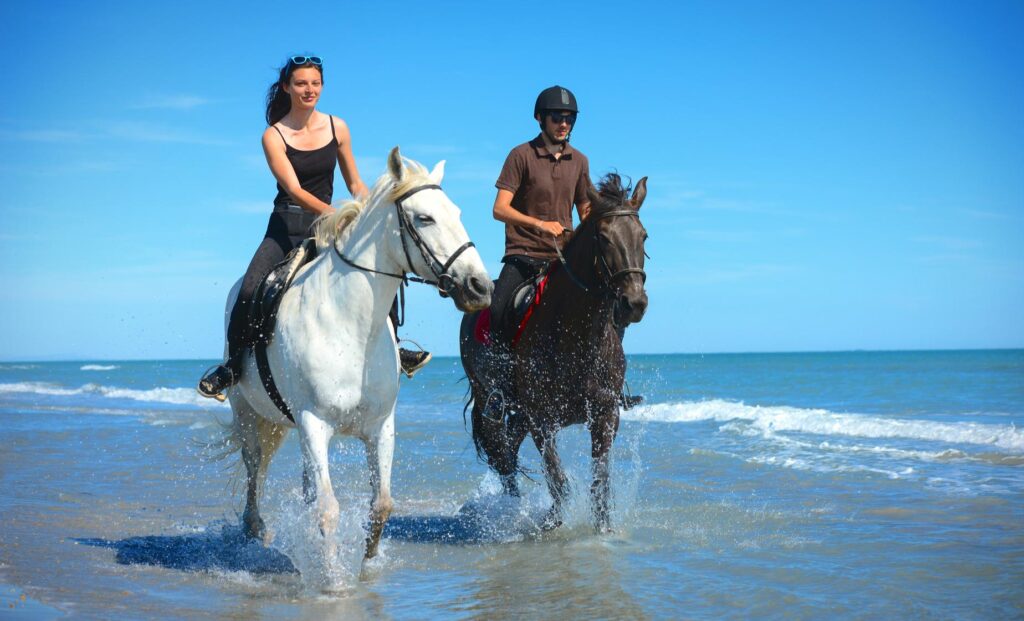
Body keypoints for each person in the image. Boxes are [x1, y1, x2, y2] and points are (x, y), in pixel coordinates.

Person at [198, 55, 430, 401]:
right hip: (286, 225)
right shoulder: (273, 135)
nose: (310, 90)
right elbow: (294, 189)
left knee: (382, 267)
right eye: (302, 83)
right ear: (287, 87)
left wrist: (367, 210)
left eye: (316, 83)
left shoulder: (338, 127)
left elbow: (354, 182)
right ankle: (231, 368)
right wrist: (336, 213)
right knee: (249, 291)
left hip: (328, 225)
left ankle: (395, 347)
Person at [490, 85, 642, 408]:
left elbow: (586, 212)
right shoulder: (521, 156)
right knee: (497, 308)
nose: (564, 123)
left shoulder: (580, 161)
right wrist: (540, 224)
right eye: (557, 117)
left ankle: (614, 384)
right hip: (524, 254)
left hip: (564, 258)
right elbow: (499, 208)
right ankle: (498, 391)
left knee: (612, 304)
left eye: (569, 117)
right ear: (540, 119)